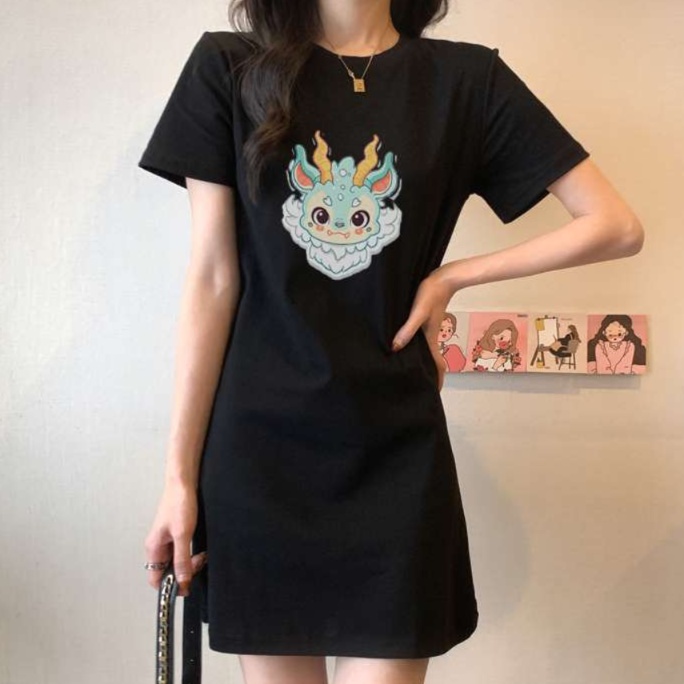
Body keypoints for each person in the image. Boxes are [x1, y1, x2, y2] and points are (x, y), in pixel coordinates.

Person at [138, 1, 644, 683]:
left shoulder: (466, 81)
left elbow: (614, 225)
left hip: (396, 456)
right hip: (259, 459)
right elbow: (212, 278)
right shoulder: (228, 68)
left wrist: (453, 276)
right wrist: (178, 479)